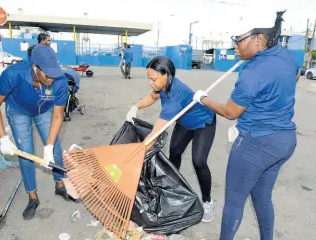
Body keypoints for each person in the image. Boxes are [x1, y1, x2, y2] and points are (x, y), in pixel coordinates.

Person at [192, 11, 300, 240]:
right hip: (285, 141)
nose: (234, 47)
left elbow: (230, 112)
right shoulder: (286, 56)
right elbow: (296, 76)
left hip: (257, 143)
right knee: (261, 196)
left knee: (233, 201)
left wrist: (203, 99)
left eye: (238, 40)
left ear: (258, 40)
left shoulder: (252, 71)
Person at [125, 56, 217, 222]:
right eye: (149, 79)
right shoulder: (162, 85)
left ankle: (207, 201)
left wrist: (136, 154)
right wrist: (135, 107)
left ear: (166, 75)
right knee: (174, 152)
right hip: (184, 121)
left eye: (153, 79)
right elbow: (152, 97)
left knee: (199, 161)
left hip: (203, 122)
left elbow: (155, 134)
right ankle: (172, 190)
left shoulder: (174, 99)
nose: (150, 83)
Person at [0, 44, 71, 221]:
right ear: (34, 67)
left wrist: (47, 146)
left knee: (54, 147)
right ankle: (33, 197)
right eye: (47, 75)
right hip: (18, 111)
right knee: (25, 152)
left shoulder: (60, 81)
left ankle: (59, 184)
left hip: (44, 110)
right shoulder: (13, 74)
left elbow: (58, 115)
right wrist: (3, 139)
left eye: (54, 73)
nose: (52, 79)